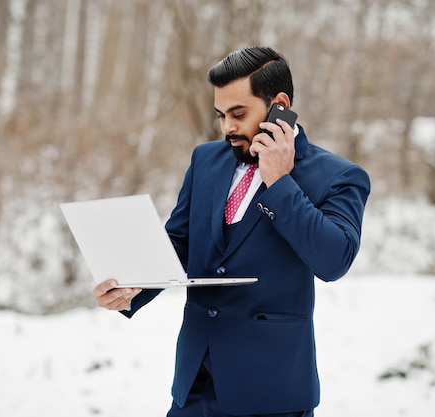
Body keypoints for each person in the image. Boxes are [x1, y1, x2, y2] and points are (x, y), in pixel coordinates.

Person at [93, 46, 371, 417]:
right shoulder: (205, 160)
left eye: (238, 114)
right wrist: (129, 289)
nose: (227, 128)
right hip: (194, 387)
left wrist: (280, 182)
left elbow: (334, 260)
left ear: (280, 105)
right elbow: (179, 243)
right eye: (221, 114)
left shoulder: (338, 176)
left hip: (272, 392)